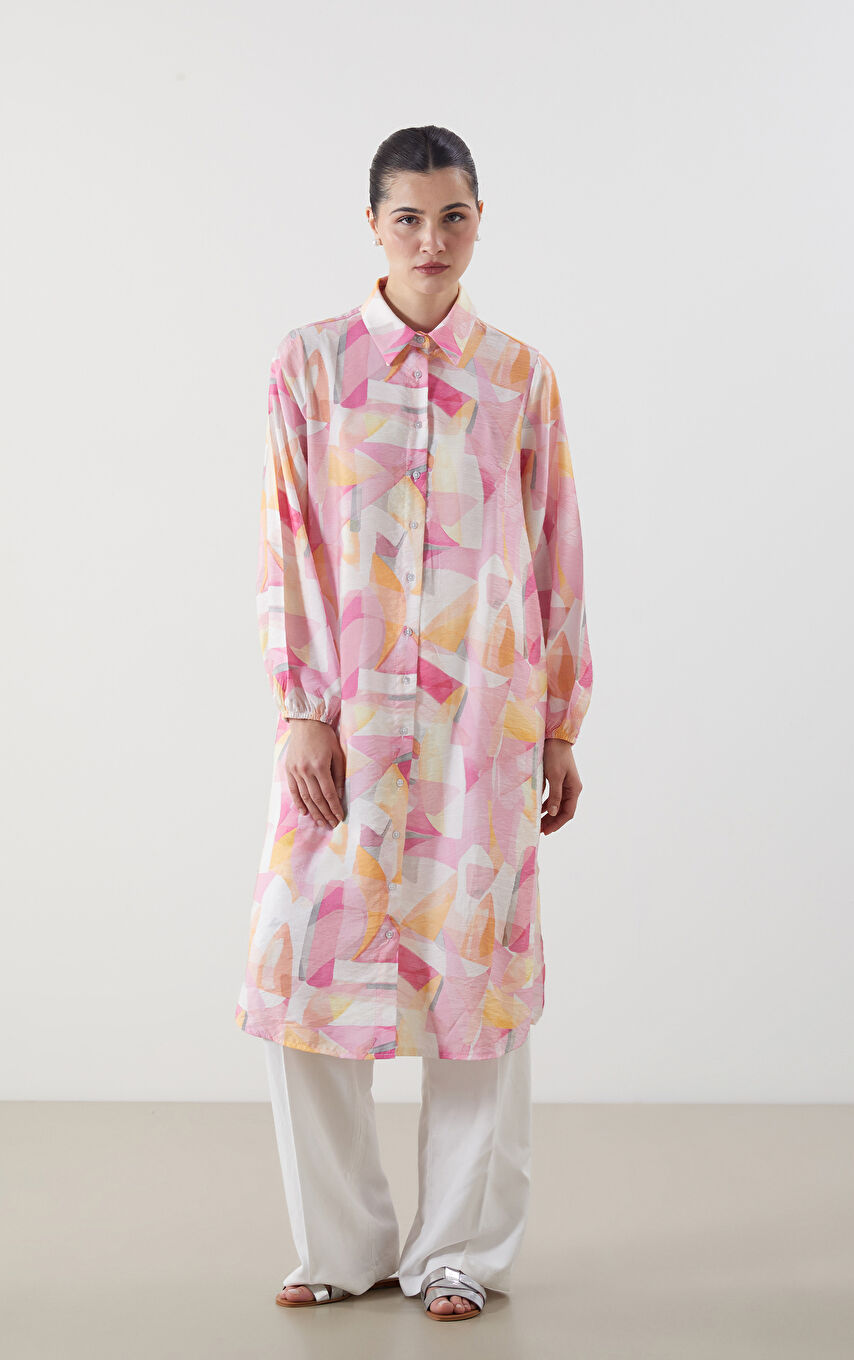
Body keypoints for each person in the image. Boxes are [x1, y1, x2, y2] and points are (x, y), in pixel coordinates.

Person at [234, 125, 593, 1321]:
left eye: (452, 217)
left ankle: (460, 1255)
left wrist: (559, 725)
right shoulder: (313, 365)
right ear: (374, 226)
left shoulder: (519, 376)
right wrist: (302, 706)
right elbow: (288, 540)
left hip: (483, 728)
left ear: (479, 220)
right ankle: (339, 1245)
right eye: (408, 218)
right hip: (344, 725)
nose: (431, 240)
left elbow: (556, 554)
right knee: (303, 966)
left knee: (478, 985)